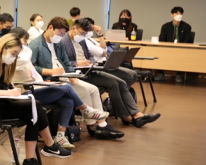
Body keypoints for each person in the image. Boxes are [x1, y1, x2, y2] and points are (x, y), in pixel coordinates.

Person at [29, 17, 160, 130]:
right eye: (59, 33)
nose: (61, 36)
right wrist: (56, 71)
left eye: (62, 33)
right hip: (52, 79)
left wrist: (75, 72)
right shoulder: (38, 45)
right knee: (105, 86)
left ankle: (104, 124)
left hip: (74, 74)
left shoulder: (63, 43)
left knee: (101, 88)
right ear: (51, 28)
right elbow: (33, 68)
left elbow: (72, 62)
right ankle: (94, 125)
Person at [0, 35, 74, 165]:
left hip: (2, 105)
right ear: (3, 48)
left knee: (33, 109)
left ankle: (31, 159)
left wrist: (12, 90)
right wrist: (8, 93)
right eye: (13, 53)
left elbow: (6, 87)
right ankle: (48, 146)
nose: (14, 58)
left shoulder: (4, 65)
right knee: (35, 106)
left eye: (16, 55)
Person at [11, 27, 117, 143]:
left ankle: (60, 136)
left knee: (69, 101)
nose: (26, 44)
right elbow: (24, 71)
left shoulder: (26, 55)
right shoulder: (18, 57)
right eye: (24, 41)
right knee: (66, 87)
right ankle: (87, 110)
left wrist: (42, 82)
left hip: (38, 86)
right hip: (26, 93)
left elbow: (33, 73)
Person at [65, 19, 137, 87]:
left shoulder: (83, 39)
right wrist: (77, 63)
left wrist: (100, 34)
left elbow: (102, 50)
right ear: (74, 28)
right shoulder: (71, 41)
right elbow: (102, 52)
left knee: (125, 79)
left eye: (91, 29)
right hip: (93, 67)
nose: (89, 32)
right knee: (118, 82)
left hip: (92, 67)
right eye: (83, 32)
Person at [157, 6, 193, 83]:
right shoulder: (165, 26)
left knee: (182, 54)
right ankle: (160, 73)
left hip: (181, 49)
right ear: (172, 15)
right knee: (159, 52)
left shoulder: (187, 27)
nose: (179, 15)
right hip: (167, 48)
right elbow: (161, 39)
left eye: (180, 13)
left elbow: (188, 40)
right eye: (176, 13)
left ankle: (178, 74)